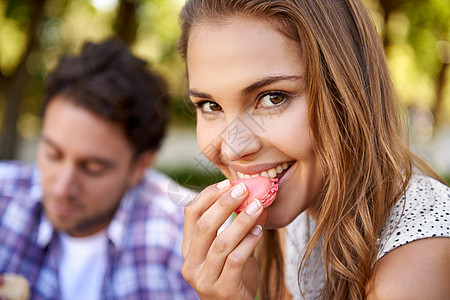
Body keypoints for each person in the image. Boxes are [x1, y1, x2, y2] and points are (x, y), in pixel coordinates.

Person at [177, 0, 450, 299]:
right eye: (211, 106)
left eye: (273, 98)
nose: (232, 149)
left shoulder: (418, 264)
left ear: (349, 91)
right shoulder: (299, 206)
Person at [0, 38, 198, 299]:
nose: (62, 187)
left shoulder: (184, 238)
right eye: (53, 154)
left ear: (141, 165)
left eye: (92, 168)